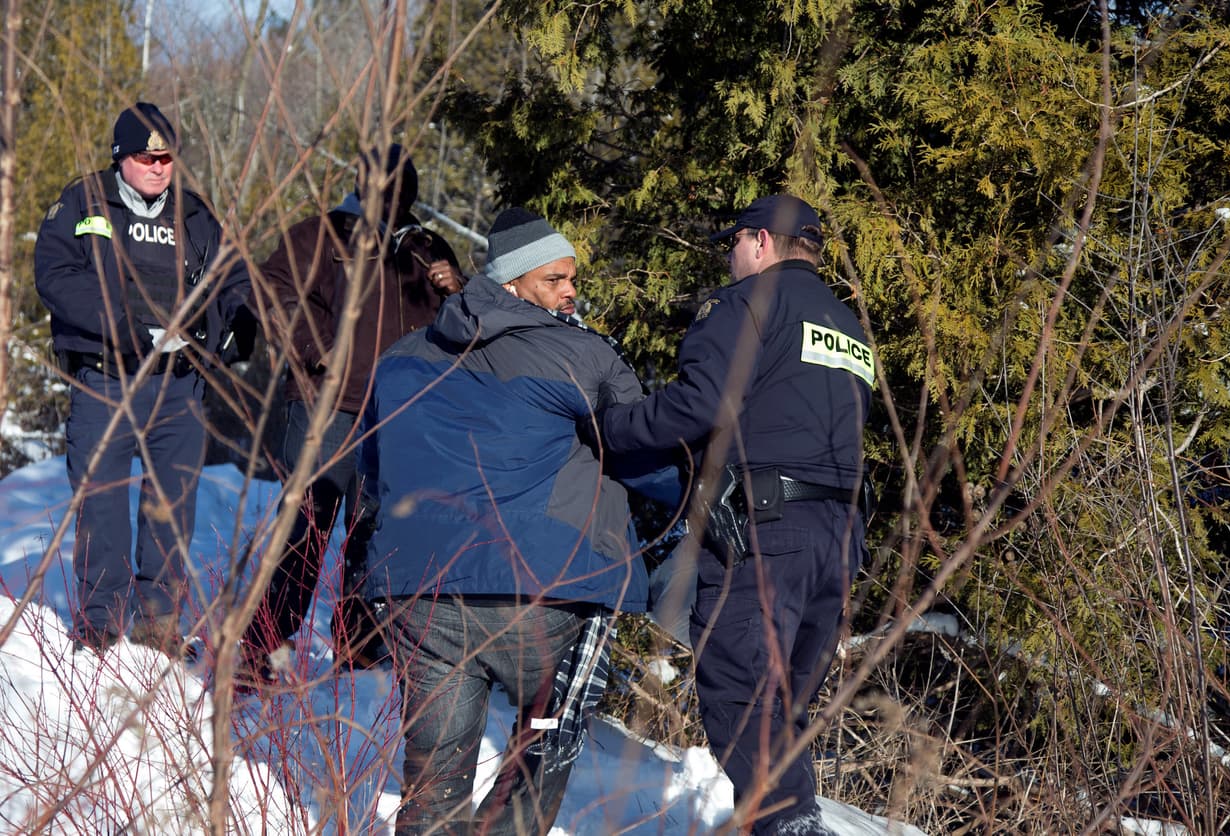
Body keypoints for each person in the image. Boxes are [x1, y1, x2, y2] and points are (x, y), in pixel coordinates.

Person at [360, 207, 676, 835]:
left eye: (572, 278)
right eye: (554, 279)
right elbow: (650, 462)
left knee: (434, 780)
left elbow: (373, 469)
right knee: (541, 753)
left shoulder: (400, 358)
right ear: (511, 283)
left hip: (423, 595)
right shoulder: (584, 354)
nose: (570, 291)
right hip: (543, 592)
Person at [596, 194, 875, 835]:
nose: (730, 258)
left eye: (735, 243)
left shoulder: (748, 302)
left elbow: (700, 405)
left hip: (767, 532)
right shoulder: (847, 325)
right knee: (782, 706)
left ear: (761, 241)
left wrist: (609, 428)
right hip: (837, 540)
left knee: (740, 688)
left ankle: (792, 824)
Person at [35, 101, 256, 658]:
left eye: (166, 158)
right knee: (101, 503)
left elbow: (233, 277)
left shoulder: (194, 214)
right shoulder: (83, 202)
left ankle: (159, 623)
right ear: (120, 157)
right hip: (107, 380)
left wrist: (239, 323)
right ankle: (101, 622)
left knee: (172, 507)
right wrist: (123, 327)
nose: (159, 167)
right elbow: (56, 275)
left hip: (179, 384)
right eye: (146, 157)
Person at [243, 143, 465, 677]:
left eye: (401, 189)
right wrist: (318, 348)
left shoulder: (427, 248)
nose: (391, 198)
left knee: (376, 535)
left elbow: (462, 330)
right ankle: (260, 650)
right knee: (306, 529)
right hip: (327, 406)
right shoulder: (323, 233)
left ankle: (360, 656)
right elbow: (269, 291)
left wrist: (457, 292)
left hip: (398, 415)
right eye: (382, 187)